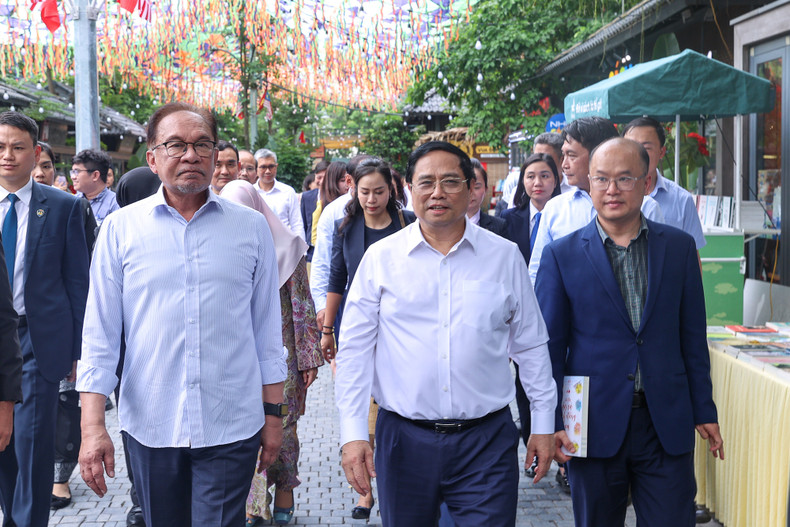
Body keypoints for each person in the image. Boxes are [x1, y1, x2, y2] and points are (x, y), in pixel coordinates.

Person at [76, 102, 287, 527]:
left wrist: (274, 416)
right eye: (175, 145)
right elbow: (99, 333)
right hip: (151, 423)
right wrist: (92, 426)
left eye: (201, 145)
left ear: (215, 156)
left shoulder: (251, 228)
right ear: (152, 158)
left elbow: (267, 331)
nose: (190, 155)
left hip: (231, 421)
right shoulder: (120, 229)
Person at [335, 142, 557, 525]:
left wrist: (543, 424)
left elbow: (531, 346)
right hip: (403, 440)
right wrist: (353, 434)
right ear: (408, 190)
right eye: (426, 182)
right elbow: (354, 352)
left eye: (450, 181)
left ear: (472, 188)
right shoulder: (381, 260)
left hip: (485, 442)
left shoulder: (504, 257)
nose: (437, 192)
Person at [535, 138, 724, 527]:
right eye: (601, 179)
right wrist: (550, 421)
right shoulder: (562, 254)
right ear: (588, 183)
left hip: (664, 421)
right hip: (594, 424)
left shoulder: (679, 248)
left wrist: (704, 408)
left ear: (646, 180)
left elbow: (692, 336)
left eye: (624, 178)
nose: (612, 190)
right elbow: (550, 349)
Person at [0, 111, 90, 527]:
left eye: (18, 147)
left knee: (32, 444)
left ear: (35, 153)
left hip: (36, 340)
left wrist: (77, 353)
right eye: (1, 147)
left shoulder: (64, 207)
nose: (8, 156)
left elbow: (77, 283)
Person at [220, 180, 323, 526]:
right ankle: (254, 505)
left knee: (284, 426)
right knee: (247, 428)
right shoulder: (221, 248)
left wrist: (308, 359)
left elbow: (302, 306)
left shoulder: (287, 247)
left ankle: (285, 489)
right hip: (238, 357)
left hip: (284, 356)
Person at [320, 159, 415, 520]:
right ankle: (365, 491)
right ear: (352, 189)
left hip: (401, 331)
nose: (371, 199)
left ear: (391, 190)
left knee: (393, 406)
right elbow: (335, 279)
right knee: (360, 408)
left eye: (378, 191)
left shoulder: (408, 224)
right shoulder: (346, 226)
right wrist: (328, 330)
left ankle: (396, 481)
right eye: (364, 192)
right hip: (357, 331)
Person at [528, 117, 665, 283]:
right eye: (563, 155)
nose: (564, 164)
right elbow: (537, 272)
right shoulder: (555, 208)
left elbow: (659, 270)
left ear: (600, 153)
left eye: (571, 155)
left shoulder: (646, 207)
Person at [500, 153, 561, 481]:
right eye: (531, 176)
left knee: (547, 375)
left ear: (556, 180)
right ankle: (531, 439)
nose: (538, 183)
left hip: (554, 310)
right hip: (514, 313)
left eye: (545, 176)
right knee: (523, 381)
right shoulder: (509, 219)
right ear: (523, 182)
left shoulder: (566, 215)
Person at [622, 117, 706, 250]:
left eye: (646, 148)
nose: (638, 154)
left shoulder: (682, 200)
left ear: (661, 152)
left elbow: (692, 256)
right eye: (631, 146)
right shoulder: (611, 195)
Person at [254, 148, 304, 240]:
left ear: (276, 167)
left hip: (284, 246)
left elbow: (297, 223)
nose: (268, 171)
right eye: (263, 167)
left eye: (271, 166)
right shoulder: (251, 192)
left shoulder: (288, 192)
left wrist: (301, 251)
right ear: (256, 169)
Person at [71, 149, 120, 226]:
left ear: (95, 175)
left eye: (77, 171)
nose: (73, 177)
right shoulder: (73, 202)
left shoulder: (115, 204)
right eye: (72, 172)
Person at [300, 160, 330, 264]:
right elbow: (303, 224)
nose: (321, 181)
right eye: (319, 177)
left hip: (328, 249)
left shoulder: (335, 200)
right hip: (311, 250)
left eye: (325, 178)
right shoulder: (307, 197)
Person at [468, 159, 506, 236]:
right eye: (466, 186)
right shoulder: (443, 226)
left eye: (476, 187)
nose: (470, 192)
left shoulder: (499, 227)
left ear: (485, 189)